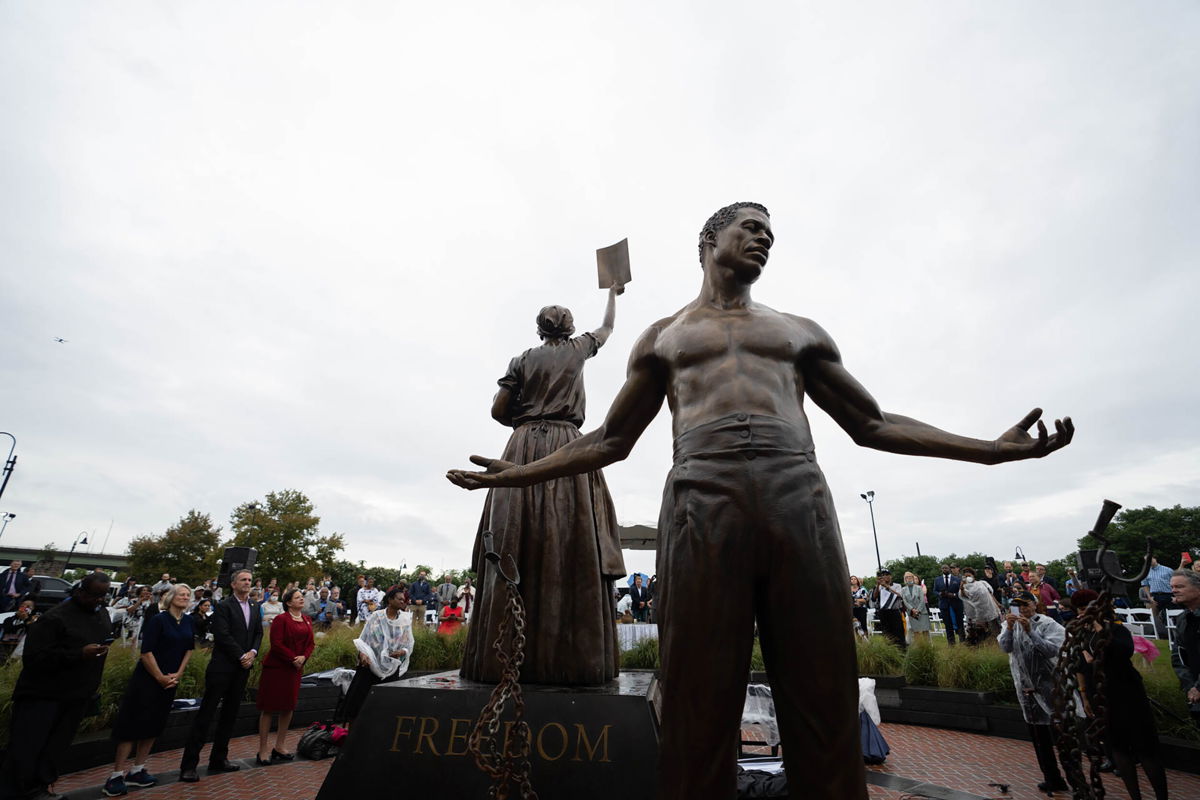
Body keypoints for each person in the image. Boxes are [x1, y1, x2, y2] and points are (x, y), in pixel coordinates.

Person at [448, 201, 1074, 800]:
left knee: (824, 691)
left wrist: (987, 450)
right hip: (701, 498)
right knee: (695, 697)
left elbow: (873, 423)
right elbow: (611, 439)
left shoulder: (797, 332)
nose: (763, 240)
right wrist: (516, 477)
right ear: (708, 243)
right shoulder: (664, 338)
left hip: (797, 498)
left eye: (770, 234)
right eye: (750, 229)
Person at [458, 284, 625, 687]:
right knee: (572, 536)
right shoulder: (578, 349)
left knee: (515, 538)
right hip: (569, 446)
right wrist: (614, 294)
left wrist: (526, 417)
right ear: (569, 329)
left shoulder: (521, 359)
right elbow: (607, 327)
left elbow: (498, 410)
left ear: (539, 330)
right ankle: (570, 659)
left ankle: (498, 661)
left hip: (521, 447)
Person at [0, 572, 112, 800]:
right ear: (80, 592)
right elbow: (34, 658)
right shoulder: (55, 618)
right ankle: (16, 791)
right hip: (44, 695)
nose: (99, 601)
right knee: (28, 746)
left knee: (55, 746)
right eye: (95, 596)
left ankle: (41, 786)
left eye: (103, 597)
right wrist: (79, 654)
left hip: (76, 694)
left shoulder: (100, 615)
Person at [1068, 588, 1168, 800]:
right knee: (1117, 748)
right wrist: (1084, 696)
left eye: (1087, 608)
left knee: (1144, 747)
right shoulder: (1081, 634)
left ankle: (1161, 795)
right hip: (1101, 697)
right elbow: (1078, 667)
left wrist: (1098, 625)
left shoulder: (1116, 629)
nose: (1083, 612)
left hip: (1126, 693)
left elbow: (1124, 652)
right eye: (1080, 609)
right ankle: (1135, 795)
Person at [105, 584, 195, 796]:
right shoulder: (159, 619)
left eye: (187, 595)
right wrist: (159, 677)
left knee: (154, 723)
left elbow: (189, 650)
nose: (184, 597)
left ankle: (137, 769)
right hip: (148, 679)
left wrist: (177, 675)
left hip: (171, 679)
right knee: (132, 724)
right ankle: (116, 774)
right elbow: (146, 652)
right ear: (171, 597)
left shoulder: (188, 621)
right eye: (181, 594)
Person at [179, 569, 263, 782]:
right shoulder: (224, 606)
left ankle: (219, 758)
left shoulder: (254, 606)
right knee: (206, 714)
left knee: (230, 714)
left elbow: (258, 633)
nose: (247, 582)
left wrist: (252, 653)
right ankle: (189, 765)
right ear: (233, 584)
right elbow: (222, 635)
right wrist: (241, 655)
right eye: (243, 579)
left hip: (242, 669)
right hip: (223, 667)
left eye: (250, 580)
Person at [998, 592, 1070, 795]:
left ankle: (1073, 775)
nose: (1022, 609)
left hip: (1050, 687)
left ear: (1035, 605)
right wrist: (1010, 629)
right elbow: (1005, 647)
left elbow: (1051, 650)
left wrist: (1031, 632)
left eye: (1026, 605)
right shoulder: (1009, 625)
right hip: (1027, 691)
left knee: (1061, 735)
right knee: (1039, 739)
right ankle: (1051, 777)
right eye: (1018, 605)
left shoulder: (1048, 624)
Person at [255, 588, 314, 765]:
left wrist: (303, 657)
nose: (301, 599)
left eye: (302, 597)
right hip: (277, 668)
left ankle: (280, 745)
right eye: (297, 597)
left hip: (295, 669)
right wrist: (292, 658)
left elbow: (310, 643)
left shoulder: (307, 620)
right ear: (288, 602)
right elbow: (276, 643)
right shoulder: (281, 619)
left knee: (288, 706)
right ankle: (263, 749)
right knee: (269, 707)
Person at [342, 586, 413, 726]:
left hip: (391, 667)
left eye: (403, 600)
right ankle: (352, 737)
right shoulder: (376, 616)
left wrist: (402, 652)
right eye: (399, 599)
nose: (402, 601)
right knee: (358, 703)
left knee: (385, 705)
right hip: (370, 665)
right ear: (390, 600)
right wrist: (363, 654)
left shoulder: (405, 620)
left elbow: (409, 643)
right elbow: (364, 639)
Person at [1170, 569, 1200, 730]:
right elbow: (1178, 655)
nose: (1174, 590)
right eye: (1172, 587)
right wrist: (1190, 686)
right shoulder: (1183, 619)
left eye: (1179, 586)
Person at [960, 567, 1002, 643]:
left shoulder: (982, 583)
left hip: (989, 610)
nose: (968, 578)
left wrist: (997, 604)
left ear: (973, 576)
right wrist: (962, 587)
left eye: (969, 576)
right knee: (979, 631)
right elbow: (963, 596)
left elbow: (990, 594)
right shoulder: (964, 587)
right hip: (976, 614)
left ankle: (996, 644)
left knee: (994, 629)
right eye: (965, 576)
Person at [1142, 557, 1177, 639]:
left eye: (1150, 559)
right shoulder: (1146, 572)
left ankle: (1175, 636)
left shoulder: (1167, 570)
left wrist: (1175, 596)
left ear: (1155, 559)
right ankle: (1158, 636)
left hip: (1168, 595)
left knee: (1171, 616)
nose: (1149, 561)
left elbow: (1176, 582)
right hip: (1155, 596)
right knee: (1155, 618)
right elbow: (1145, 585)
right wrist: (1149, 597)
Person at [871, 569, 906, 649]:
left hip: (894, 611)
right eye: (883, 575)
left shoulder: (897, 585)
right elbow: (874, 598)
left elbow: (899, 595)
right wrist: (878, 585)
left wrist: (887, 586)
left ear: (891, 576)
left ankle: (901, 649)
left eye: (887, 575)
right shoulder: (879, 586)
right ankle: (889, 649)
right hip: (883, 612)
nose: (885, 576)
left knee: (898, 631)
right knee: (886, 632)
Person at [934, 564, 964, 646]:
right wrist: (940, 593)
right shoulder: (937, 580)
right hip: (944, 605)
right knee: (948, 625)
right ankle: (951, 644)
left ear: (949, 569)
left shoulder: (957, 579)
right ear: (941, 570)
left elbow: (961, 592)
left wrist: (954, 595)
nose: (945, 569)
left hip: (956, 604)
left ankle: (962, 642)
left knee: (960, 624)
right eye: (943, 568)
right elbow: (934, 591)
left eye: (946, 568)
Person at [898, 572, 929, 643]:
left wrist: (918, 610)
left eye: (910, 577)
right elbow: (905, 601)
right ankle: (918, 646)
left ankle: (927, 646)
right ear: (904, 579)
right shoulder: (903, 589)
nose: (909, 578)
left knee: (925, 629)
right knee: (916, 630)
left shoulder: (919, 588)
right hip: (911, 611)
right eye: (906, 577)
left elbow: (922, 600)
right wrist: (912, 609)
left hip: (921, 610)